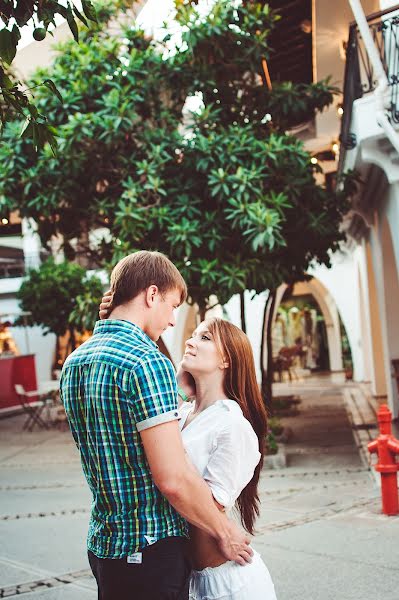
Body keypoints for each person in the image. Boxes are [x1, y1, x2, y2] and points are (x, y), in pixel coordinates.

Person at [60, 251, 252, 600]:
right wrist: (224, 530)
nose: (174, 320)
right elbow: (172, 479)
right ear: (151, 295)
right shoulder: (146, 361)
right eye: (173, 305)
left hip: (104, 546)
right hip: (151, 549)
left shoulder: (74, 363)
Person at [178, 318, 277, 600]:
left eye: (205, 337)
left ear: (226, 360)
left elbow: (207, 504)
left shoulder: (232, 424)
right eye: (193, 334)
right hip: (193, 580)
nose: (190, 341)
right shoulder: (185, 413)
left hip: (231, 584)